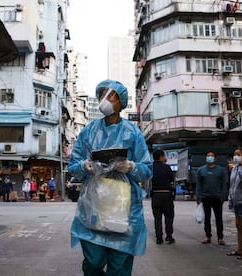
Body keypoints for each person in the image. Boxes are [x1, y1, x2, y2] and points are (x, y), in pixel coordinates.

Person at [68, 79, 152, 275]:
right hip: (94, 202)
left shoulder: (133, 132)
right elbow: (73, 165)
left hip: (125, 205)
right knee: (93, 261)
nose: (104, 99)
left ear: (121, 101)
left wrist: (130, 166)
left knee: (120, 263)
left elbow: (146, 169)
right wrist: (85, 166)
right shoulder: (88, 131)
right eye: (101, 94)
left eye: (110, 95)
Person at [196, 151, 228, 245]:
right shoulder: (201, 170)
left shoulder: (221, 170)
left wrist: (223, 197)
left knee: (219, 218)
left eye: (211, 156)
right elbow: (199, 185)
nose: (210, 157)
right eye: (208, 156)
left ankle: (220, 237)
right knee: (207, 218)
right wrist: (198, 197)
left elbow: (224, 185)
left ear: (215, 158)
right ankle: (207, 236)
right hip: (205, 197)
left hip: (217, 197)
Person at [151, 149, 175, 244]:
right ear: (161, 157)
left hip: (155, 195)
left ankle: (159, 238)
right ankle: (169, 236)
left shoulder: (151, 168)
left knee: (157, 218)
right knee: (169, 216)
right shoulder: (167, 167)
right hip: (166, 195)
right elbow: (171, 180)